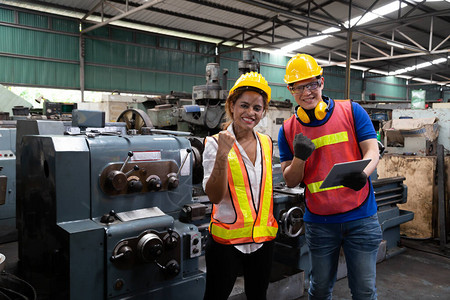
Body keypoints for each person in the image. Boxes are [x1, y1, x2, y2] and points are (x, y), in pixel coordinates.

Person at [277, 53, 382, 300]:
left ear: (321, 82)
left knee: (364, 290)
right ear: (291, 90)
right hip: (320, 223)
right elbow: (290, 180)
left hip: (361, 218)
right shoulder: (288, 130)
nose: (306, 92)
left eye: (311, 84)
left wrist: (363, 174)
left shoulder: (352, 111)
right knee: (320, 289)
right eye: (298, 87)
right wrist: (299, 158)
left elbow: (372, 149)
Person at [202, 72, 278, 300]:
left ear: (263, 112)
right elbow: (214, 196)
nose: (250, 113)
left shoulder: (266, 143)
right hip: (227, 243)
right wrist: (223, 155)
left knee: (258, 296)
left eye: (257, 108)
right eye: (244, 105)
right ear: (232, 105)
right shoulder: (215, 143)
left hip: (262, 241)